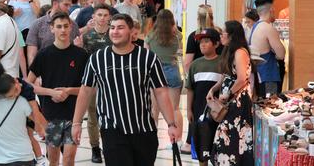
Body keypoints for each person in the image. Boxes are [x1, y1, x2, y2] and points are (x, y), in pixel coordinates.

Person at [72, 14, 181, 166]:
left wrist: (171, 124)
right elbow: (85, 91)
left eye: (120, 28)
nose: (115, 31)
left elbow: (161, 92)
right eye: (112, 28)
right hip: (112, 129)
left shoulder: (148, 58)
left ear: (131, 31)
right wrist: (76, 123)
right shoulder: (97, 59)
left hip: (143, 129)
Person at [26, 12, 89, 166]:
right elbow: (28, 85)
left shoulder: (81, 55)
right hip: (51, 116)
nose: (63, 30)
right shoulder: (43, 55)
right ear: (52, 29)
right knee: (53, 159)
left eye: (66, 26)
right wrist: (50, 92)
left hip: (73, 115)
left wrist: (68, 91)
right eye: (59, 27)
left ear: (71, 27)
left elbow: (89, 89)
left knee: (68, 159)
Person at [208, 21, 254, 165]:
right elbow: (226, 76)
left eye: (223, 33)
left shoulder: (240, 52)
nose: (221, 35)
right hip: (230, 98)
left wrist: (228, 94)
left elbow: (241, 79)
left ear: (232, 35)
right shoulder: (230, 51)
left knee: (233, 135)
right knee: (227, 133)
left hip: (238, 100)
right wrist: (213, 89)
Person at [76, 4, 113, 163]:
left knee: (112, 115)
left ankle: (110, 145)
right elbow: (81, 59)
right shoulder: (87, 36)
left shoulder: (114, 34)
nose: (103, 18)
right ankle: (95, 148)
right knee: (92, 116)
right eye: (99, 15)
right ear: (94, 17)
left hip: (112, 81)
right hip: (92, 81)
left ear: (109, 17)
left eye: (105, 15)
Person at [144, 9, 183, 138]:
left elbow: (146, 56)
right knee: (175, 108)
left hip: (156, 71)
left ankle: (152, 137)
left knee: (155, 109)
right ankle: (177, 139)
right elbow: (180, 46)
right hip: (172, 70)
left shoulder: (150, 36)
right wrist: (174, 27)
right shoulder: (177, 36)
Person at [185, 29, 222, 165]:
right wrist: (188, 110)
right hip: (199, 112)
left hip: (218, 114)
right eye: (201, 42)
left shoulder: (222, 63)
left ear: (216, 44)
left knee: (218, 147)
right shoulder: (195, 65)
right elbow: (190, 89)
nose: (202, 45)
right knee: (202, 148)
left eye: (207, 41)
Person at [26, 0, 79, 66]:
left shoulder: (73, 25)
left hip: (67, 72)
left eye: (70, 5)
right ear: (55, 4)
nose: (69, 8)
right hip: (44, 71)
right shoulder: (37, 24)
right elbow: (31, 55)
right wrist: (36, 75)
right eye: (66, 5)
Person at [250, 0, 286, 97]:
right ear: (271, 10)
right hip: (269, 76)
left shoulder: (254, 27)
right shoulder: (268, 28)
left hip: (259, 75)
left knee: (262, 104)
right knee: (271, 104)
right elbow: (281, 54)